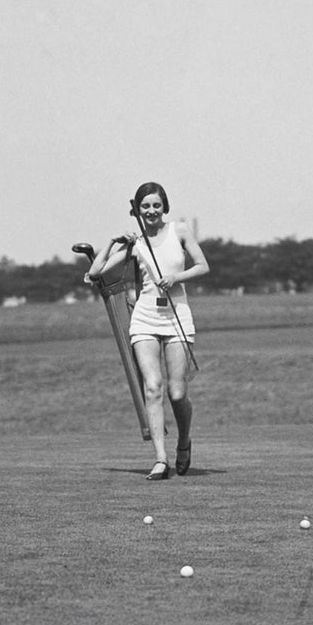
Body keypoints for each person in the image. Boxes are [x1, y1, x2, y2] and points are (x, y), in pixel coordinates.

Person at [88, 182, 209, 479]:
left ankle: (184, 441)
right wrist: (113, 242)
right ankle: (160, 459)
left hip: (177, 315)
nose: (151, 211)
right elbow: (95, 272)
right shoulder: (136, 243)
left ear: (164, 206)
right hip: (145, 319)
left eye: (156, 205)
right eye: (145, 206)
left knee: (177, 393)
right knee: (153, 387)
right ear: (137, 210)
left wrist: (176, 277)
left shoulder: (179, 230)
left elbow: (203, 266)